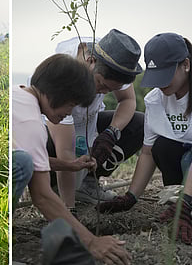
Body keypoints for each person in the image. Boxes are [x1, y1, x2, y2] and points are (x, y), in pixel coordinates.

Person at [12, 53, 131, 264]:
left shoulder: (19, 95)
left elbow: (31, 155)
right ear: (58, 92)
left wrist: (69, 165)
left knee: (22, 161)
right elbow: (42, 196)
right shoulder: (32, 123)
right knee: (21, 164)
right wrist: (91, 242)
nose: (70, 112)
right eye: (71, 104)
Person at [96, 33, 192, 243]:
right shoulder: (155, 100)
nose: (160, 84)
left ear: (185, 65)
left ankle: (185, 205)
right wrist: (131, 197)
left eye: (166, 74)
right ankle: (178, 205)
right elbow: (147, 152)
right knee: (163, 146)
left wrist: (187, 200)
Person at [46, 29, 144, 208]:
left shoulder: (117, 59)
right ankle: (55, 188)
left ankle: (87, 183)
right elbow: (66, 152)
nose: (104, 93)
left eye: (110, 89)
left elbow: (127, 100)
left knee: (138, 124)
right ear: (91, 61)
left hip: (86, 126)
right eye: (101, 85)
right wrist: (69, 211)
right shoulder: (62, 77)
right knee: (60, 152)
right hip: (52, 135)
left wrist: (111, 133)